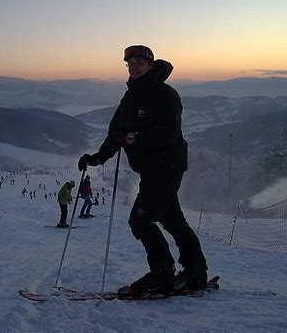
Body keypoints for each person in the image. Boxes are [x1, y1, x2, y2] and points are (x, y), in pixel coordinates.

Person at [78, 45, 208, 296]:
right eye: (130, 63)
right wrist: (96, 159)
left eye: (139, 62)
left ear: (151, 64)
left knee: (140, 219)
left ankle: (162, 274)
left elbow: (166, 134)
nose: (134, 67)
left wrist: (133, 139)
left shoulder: (165, 94)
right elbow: (116, 133)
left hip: (167, 167)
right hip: (151, 171)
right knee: (172, 220)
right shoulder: (130, 97)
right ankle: (195, 271)